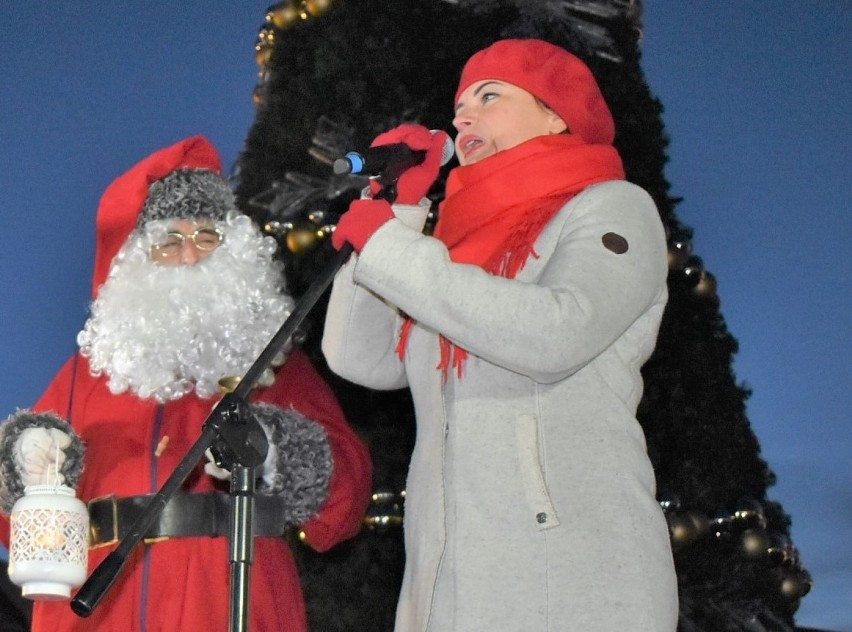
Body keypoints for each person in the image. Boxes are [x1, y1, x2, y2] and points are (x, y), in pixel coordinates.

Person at [322, 39, 678, 631]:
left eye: (490, 96)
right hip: (447, 575)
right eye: (460, 105)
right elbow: (362, 357)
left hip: (573, 572)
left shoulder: (612, 207)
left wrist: (391, 248)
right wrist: (401, 213)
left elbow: (555, 334)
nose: (462, 117)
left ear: (555, 114)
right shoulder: (448, 251)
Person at [0, 136, 373, 632]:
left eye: (206, 238)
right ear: (138, 262)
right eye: (170, 241)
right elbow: (12, 525)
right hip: (96, 611)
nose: (190, 257)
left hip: (230, 602)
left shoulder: (275, 365)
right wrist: (23, 462)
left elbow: (345, 504)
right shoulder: (85, 377)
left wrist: (274, 449)